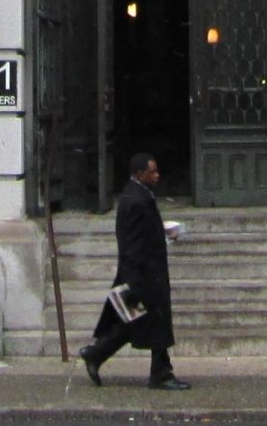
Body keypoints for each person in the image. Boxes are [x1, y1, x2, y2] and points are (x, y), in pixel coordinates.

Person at [80, 152, 187, 391]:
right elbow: (132, 244)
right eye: (152, 172)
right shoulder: (135, 200)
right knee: (149, 322)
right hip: (145, 276)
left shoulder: (138, 196)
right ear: (139, 174)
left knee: (136, 324)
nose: (157, 176)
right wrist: (134, 282)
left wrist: (162, 234)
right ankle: (159, 373)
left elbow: (141, 236)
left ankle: (97, 354)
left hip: (146, 274)